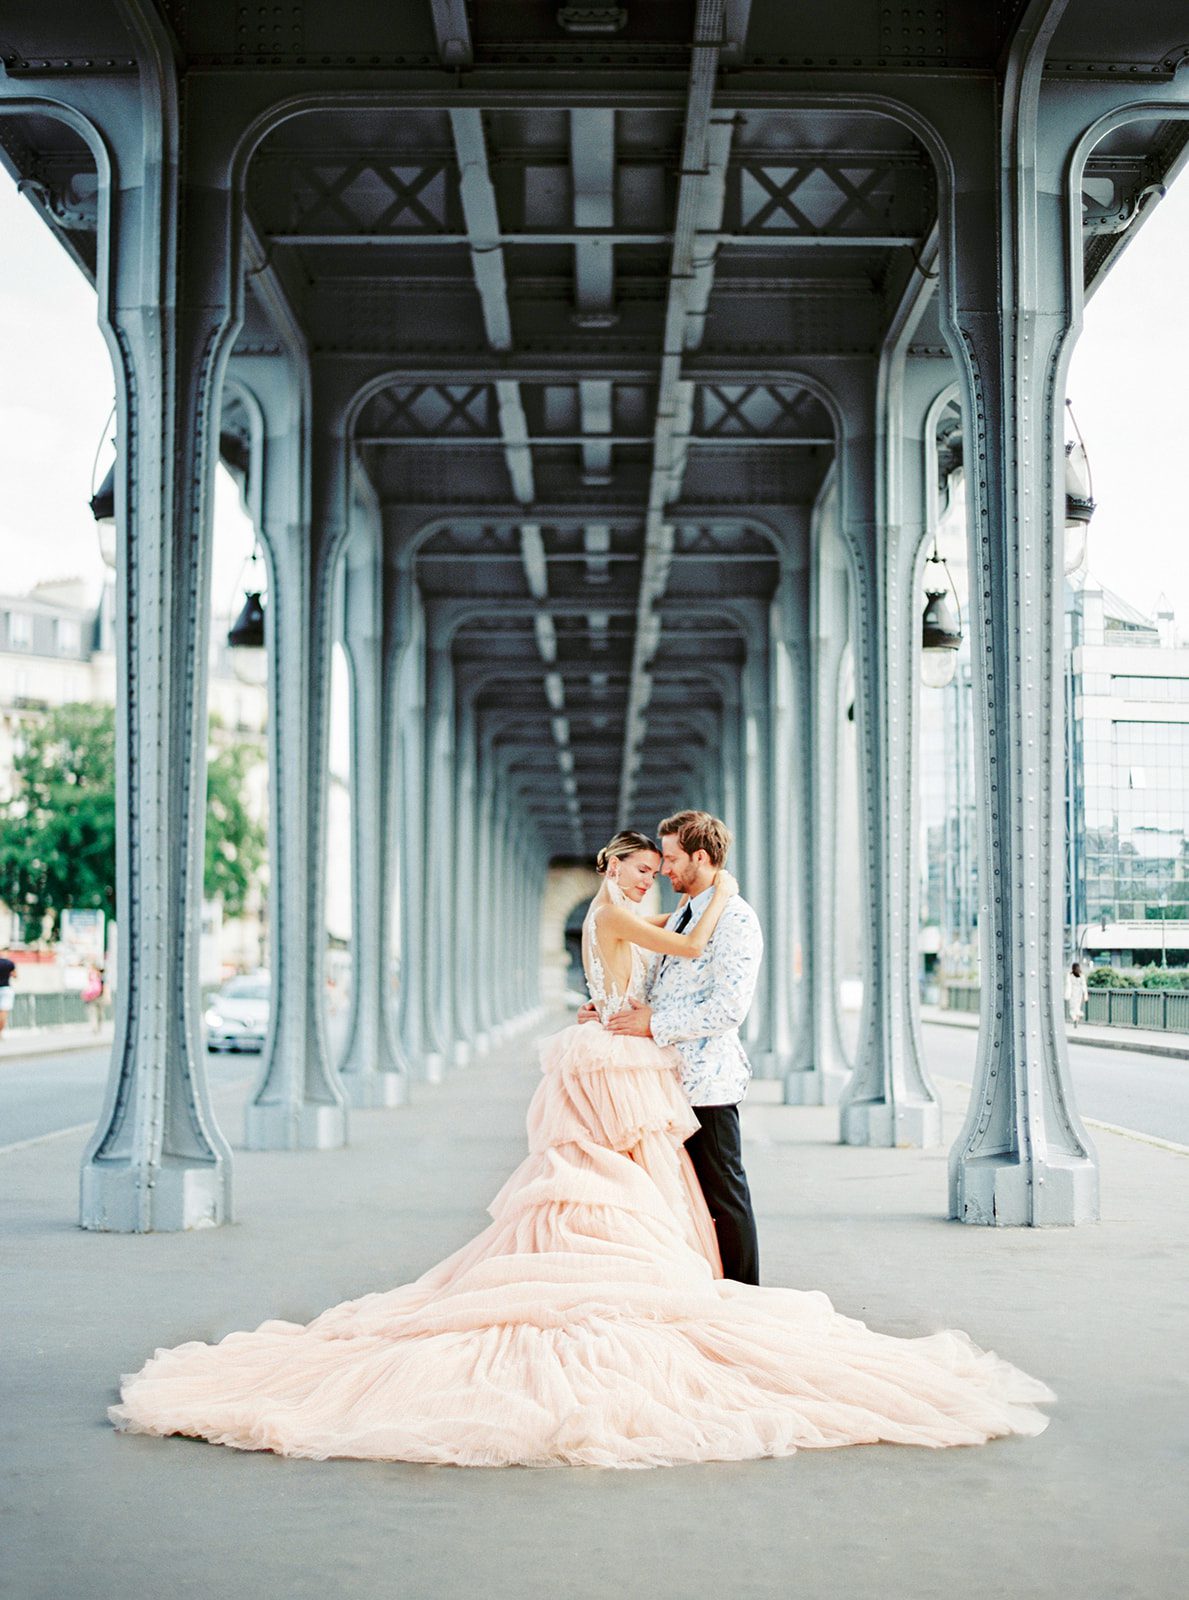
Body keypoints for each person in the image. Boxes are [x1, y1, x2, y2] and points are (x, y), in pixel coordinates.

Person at [110, 827, 1054, 1467]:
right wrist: (672, 953)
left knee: (677, 1183)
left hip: (654, 1057)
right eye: (646, 868)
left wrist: (654, 984)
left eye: (666, 866)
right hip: (632, 1056)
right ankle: (707, 1299)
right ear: (623, 871)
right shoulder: (639, 912)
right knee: (647, 1182)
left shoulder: (674, 914)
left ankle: (716, 1295)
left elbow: (691, 988)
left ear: (689, 859)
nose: (656, 877)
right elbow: (673, 965)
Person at [581, 809, 763, 1285]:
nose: (662, 869)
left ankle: (747, 1295)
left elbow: (728, 1009)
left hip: (708, 1083)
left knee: (725, 1196)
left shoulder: (736, 920)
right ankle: (701, 1287)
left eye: (670, 858)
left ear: (700, 858)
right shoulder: (685, 913)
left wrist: (652, 1024)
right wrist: (606, 1008)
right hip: (664, 1082)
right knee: (683, 1199)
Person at [1065, 961, 1089, 1027]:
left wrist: (1067, 994)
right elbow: (1084, 985)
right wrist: (1085, 995)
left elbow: (1068, 984)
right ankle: (1078, 1016)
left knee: (1072, 1009)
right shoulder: (1081, 975)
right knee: (1077, 1007)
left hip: (1072, 992)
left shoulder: (1070, 975)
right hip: (1079, 993)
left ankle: (1075, 1018)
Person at [0, 950, 15, 1044]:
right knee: (3, 1013)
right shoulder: (10, 963)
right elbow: (15, 975)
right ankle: (0, 1032)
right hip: (6, 989)